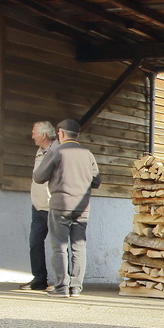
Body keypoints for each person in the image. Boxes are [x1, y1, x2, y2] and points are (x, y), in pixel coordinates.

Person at [32, 119, 101, 297]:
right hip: (82, 207)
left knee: (60, 247)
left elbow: (39, 177)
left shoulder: (56, 151)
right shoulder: (88, 154)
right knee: (79, 246)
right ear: (77, 135)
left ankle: (61, 287)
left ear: (61, 133)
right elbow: (97, 182)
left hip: (60, 205)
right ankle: (76, 287)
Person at [20, 120, 56, 291]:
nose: (32, 135)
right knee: (35, 242)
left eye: (34, 132)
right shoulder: (39, 151)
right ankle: (39, 279)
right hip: (37, 206)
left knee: (59, 245)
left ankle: (64, 281)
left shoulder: (57, 150)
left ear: (43, 135)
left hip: (52, 206)